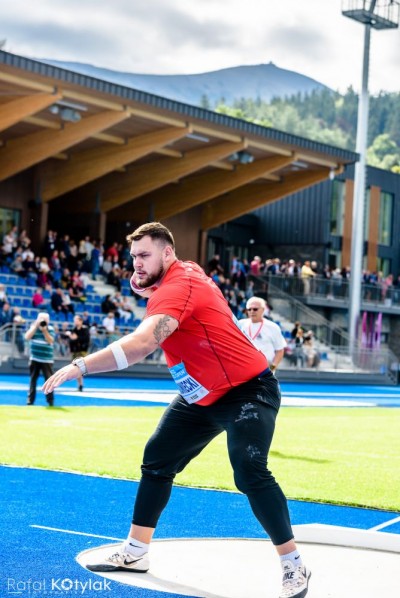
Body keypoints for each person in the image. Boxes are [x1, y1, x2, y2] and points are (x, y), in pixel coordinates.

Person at [42, 222, 311, 598]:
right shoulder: (178, 277)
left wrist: (81, 365)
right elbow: (149, 287)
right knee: (156, 459)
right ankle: (136, 552)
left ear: (168, 252)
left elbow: (140, 346)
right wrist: (147, 279)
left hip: (247, 390)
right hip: (200, 396)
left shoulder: (180, 285)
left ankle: (293, 564)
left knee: (249, 470)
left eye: (144, 255)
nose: (135, 263)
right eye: (133, 256)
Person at [238, 296, 286, 374]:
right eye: (249, 309)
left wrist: (273, 367)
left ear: (263, 310)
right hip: (245, 370)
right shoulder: (240, 324)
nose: (252, 311)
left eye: (255, 309)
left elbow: (280, 350)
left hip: (265, 371)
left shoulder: (273, 327)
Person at [25, 312, 55, 406]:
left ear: (48, 321)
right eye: (41, 319)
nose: (43, 321)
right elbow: (27, 337)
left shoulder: (50, 329)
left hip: (47, 360)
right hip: (35, 359)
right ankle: (30, 401)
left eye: (45, 319)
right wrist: (35, 326)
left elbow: (51, 340)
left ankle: (50, 401)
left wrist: (44, 330)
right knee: (33, 380)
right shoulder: (33, 328)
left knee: (49, 380)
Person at [66, 315, 90, 391]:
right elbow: (71, 340)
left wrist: (76, 338)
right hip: (75, 351)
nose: (75, 322)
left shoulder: (85, 329)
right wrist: (74, 338)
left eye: (77, 320)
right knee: (76, 368)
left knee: (79, 368)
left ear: (81, 321)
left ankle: (80, 385)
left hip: (82, 351)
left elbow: (85, 339)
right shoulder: (74, 330)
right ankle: (80, 385)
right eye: (74, 320)